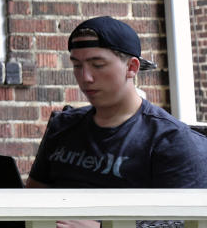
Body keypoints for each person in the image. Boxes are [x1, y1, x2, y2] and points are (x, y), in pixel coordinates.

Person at [28, 16, 207, 189]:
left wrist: (102, 222)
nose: (85, 77)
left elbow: (184, 218)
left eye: (97, 65)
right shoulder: (62, 126)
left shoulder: (173, 141)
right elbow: (32, 199)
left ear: (131, 67)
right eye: (77, 65)